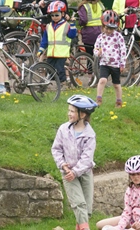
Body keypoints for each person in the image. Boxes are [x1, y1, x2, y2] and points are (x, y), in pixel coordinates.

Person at [51, 94, 98, 230]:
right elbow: (56, 149)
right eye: (69, 110)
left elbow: (87, 158)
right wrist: (62, 164)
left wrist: (76, 172)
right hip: (68, 173)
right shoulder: (63, 129)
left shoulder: (90, 134)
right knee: (79, 204)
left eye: (72, 111)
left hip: (84, 173)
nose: (69, 113)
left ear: (82, 114)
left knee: (86, 209)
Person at [96, 155, 140, 230]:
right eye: (132, 174)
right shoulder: (130, 190)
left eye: (138, 174)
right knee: (100, 225)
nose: (135, 177)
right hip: (132, 219)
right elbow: (127, 210)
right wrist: (120, 227)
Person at [37, 0, 77, 84]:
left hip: (62, 53)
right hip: (51, 53)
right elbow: (45, 40)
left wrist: (73, 25)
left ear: (62, 14)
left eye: (57, 15)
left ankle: (63, 83)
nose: (54, 17)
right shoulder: (49, 26)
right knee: (50, 68)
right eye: (52, 15)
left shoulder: (66, 25)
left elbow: (72, 35)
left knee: (60, 68)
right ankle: (55, 82)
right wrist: (41, 50)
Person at [94, 10, 126, 108]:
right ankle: (98, 99)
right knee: (102, 80)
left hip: (115, 65)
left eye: (111, 29)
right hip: (104, 63)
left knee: (116, 84)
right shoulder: (100, 37)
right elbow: (95, 48)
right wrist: (97, 53)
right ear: (103, 26)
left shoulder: (118, 36)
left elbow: (123, 50)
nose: (108, 31)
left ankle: (119, 101)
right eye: (107, 28)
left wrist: (122, 64)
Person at [78, 0, 105, 85]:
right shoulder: (100, 4)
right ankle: (100, 74)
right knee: (99, 55)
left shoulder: (83, 6)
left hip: (89, 33)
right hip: (101, 32)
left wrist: (79, 22)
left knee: (89, 55)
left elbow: (83, 20)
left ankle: (91, 77)